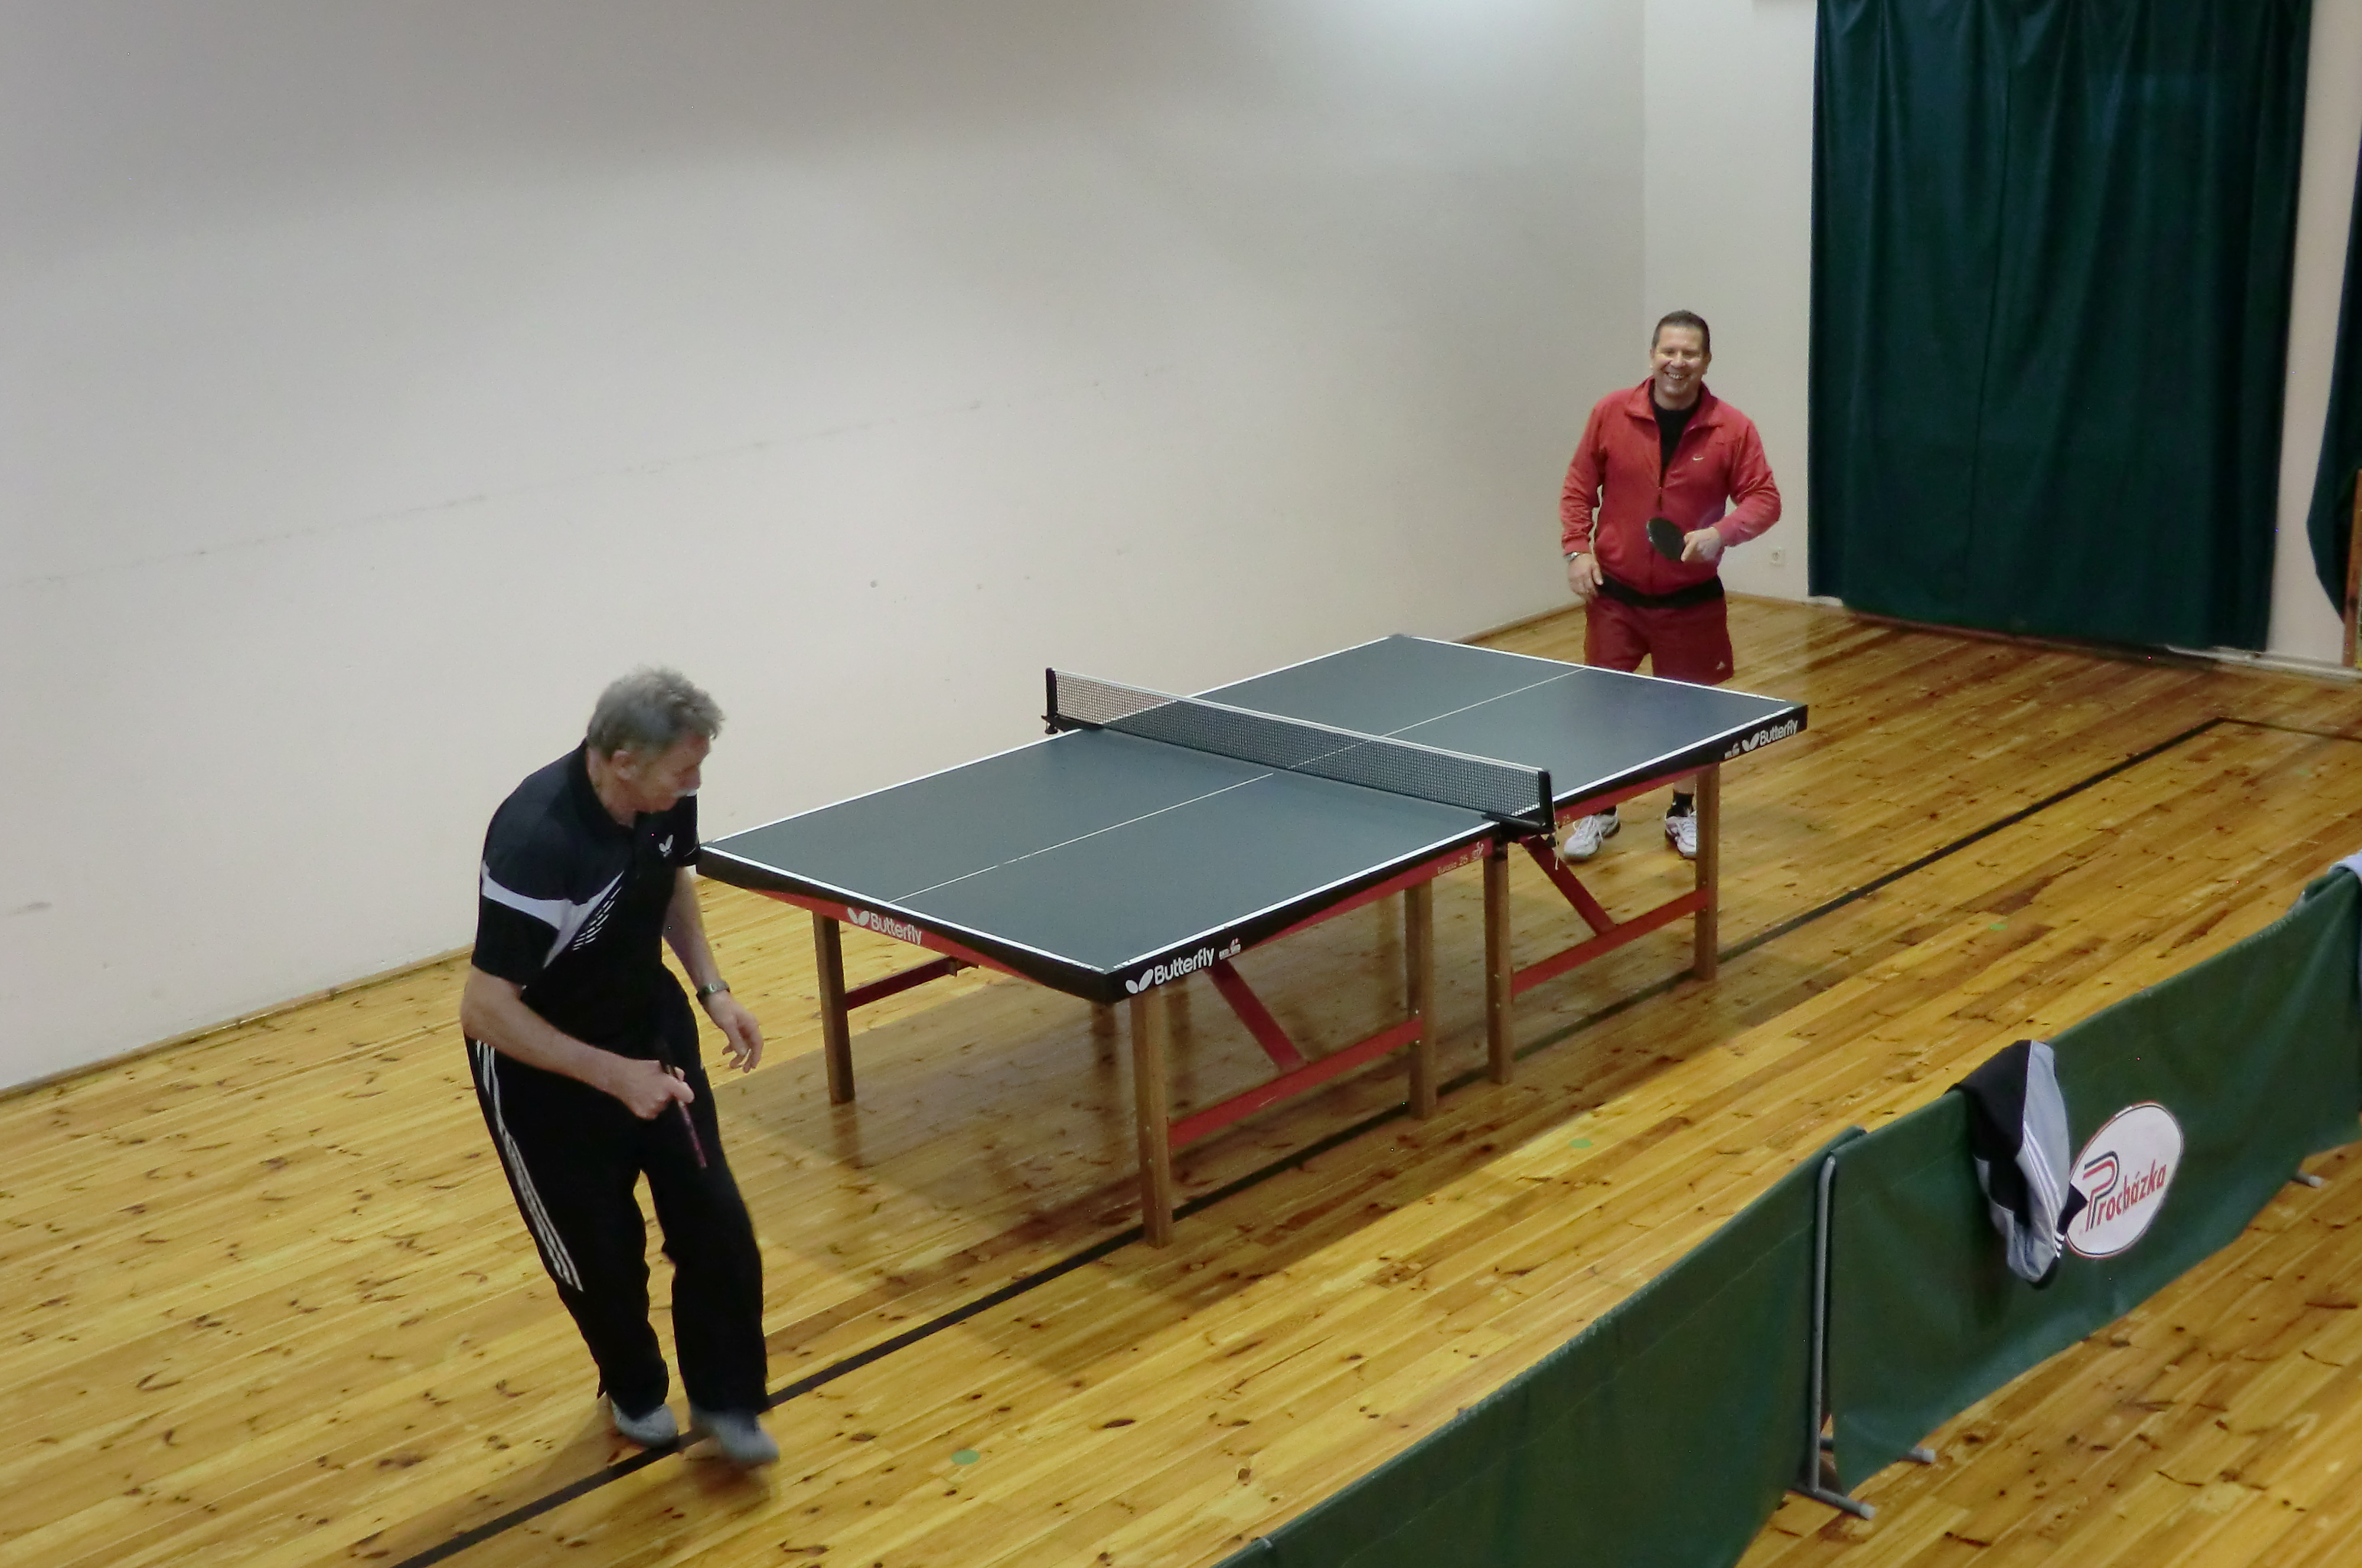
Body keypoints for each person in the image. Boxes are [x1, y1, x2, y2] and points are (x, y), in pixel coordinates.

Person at [458, 668, 777, 1465]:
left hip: (650, 1032)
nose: (694, 784)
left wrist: (712, 989)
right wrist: (613, 1076)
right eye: (683, 770)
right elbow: (486, 1010)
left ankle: (727, 1399)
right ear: (622, 761)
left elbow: (669, 879)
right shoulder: (539, 841)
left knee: (716, 1223)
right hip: (540, 1069)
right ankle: (635, 1387)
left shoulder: (663, 795)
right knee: (599, 1257)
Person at [1559, 309, 1782, 861]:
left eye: (1690, 353)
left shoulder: (1732, 428)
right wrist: (1577, 549)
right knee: (1604, 709)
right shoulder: (1611, 413)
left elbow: (1764, 499)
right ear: (1653, 354)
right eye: (1669, 351)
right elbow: (1579, 487)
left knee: (1691, 716)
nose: (1678, 363)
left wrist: (1722, 532)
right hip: (1616, 596)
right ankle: (1601, 809)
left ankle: (1683, 811)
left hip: (1690, 603)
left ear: (1706, 361)